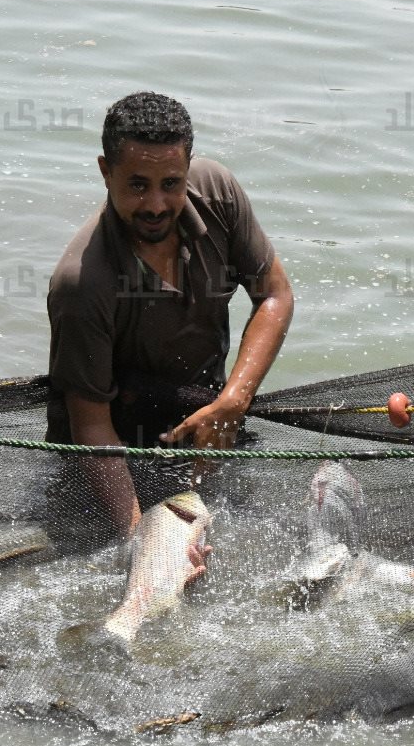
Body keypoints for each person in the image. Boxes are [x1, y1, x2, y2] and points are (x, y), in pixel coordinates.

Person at [46, 92, 294, 534]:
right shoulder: (82, 284)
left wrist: (232, 402)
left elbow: (274, 296)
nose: (157, 205)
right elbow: (92, 428)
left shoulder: (217, 193)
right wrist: (141, 539)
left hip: (205, 424)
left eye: (171, 184)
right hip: (109, 456)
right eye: (138, 185)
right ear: (106, 172)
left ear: (188, 169)